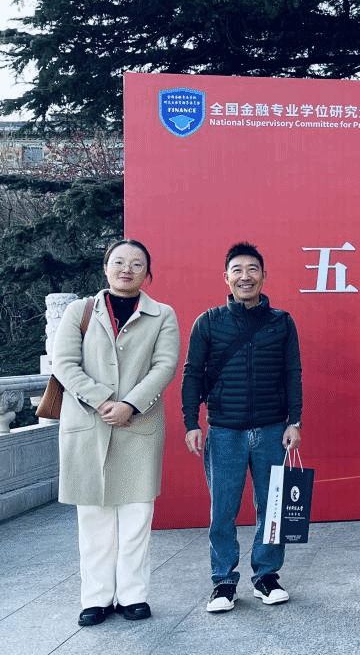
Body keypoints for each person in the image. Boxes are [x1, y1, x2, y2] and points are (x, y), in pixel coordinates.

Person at [52, 239, 180, 626]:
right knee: (93, 518)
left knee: (137, 516)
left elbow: (165, 365)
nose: (127, 269)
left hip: (138, 424)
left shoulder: (162, 315)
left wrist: (130, 405)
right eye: (119, 262)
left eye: (137, 264)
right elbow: (64, 363)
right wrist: (102, 400)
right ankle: (96, 598)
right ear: (105, 268)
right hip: (88, 425)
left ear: (148, 273)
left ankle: (132, 595)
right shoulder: (80, 311)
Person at [181, 242, 302, 613]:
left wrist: (294, 421)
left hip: (272, 429)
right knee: (223, 510)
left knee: (273, 507)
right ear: (226, 278)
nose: (245, 276)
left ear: (264, 276)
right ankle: (223, 582)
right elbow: (192, 374)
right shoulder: (208, 322)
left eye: (252, 269)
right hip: (224, 431)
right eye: (237, 270)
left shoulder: (282, 322)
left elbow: (292, 373)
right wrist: (191, 422)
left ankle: (267, 576)